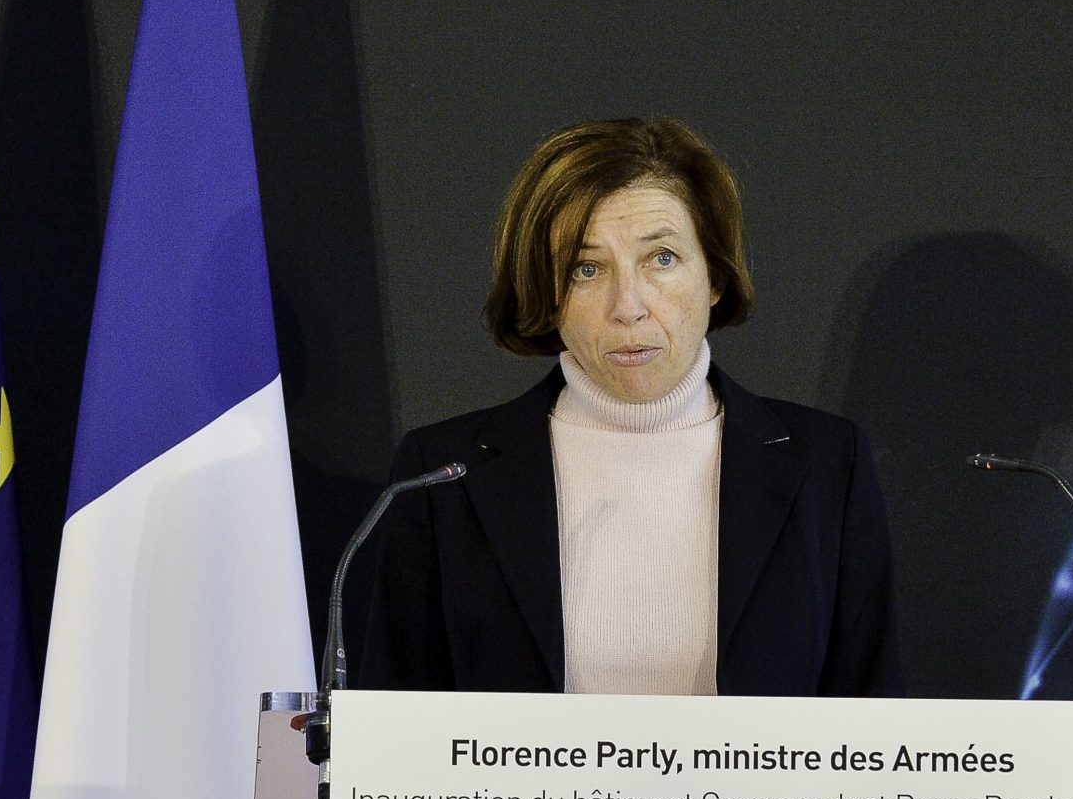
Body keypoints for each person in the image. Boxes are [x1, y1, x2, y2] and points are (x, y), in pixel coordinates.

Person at [360, 116, 904, 699]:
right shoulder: (440, 475)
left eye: (662, 258)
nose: (628, 307)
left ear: (715, 277)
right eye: (586, 268)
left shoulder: (826, 465)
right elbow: (393, 740)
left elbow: (870, 730)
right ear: (546, 290)